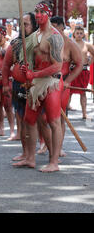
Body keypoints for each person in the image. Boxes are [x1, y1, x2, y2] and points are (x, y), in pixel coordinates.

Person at [15, 0, 64, 172]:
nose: (38, 15)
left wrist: (34, 74)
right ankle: (30, 158)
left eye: (41, 12)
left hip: (52, 82)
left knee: (53, 121)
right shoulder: (33, 36)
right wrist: (25, 69)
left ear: (48, 15)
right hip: (35, 83)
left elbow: (57, 65)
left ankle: (54, 162)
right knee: (29, 120)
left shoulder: (55, 37)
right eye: (36, 12)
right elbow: (29, 62)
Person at [2, 12, 38, 163]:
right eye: (21, 24)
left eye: (26, 24)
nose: (23, 27)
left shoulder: (40, 42)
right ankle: (25, 154)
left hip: (36, 87)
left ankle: (47, 156)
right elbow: (6, 65)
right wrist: (5, 84)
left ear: (34, 25)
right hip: (18, 86)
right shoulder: (16, 43)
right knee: (21, 121)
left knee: (36, 122)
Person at [49, 16, 83, 155]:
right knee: (44, 117)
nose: (52, 30)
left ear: (62, 28)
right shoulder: (47, 41)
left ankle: (59, 147)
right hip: (45, 82)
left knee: (59, 117)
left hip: (62, 84)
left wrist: (68, 81)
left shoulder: (69, 44)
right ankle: (46, 144)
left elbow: (80, 64)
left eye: (55, 27)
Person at [70, 25, 94, 119]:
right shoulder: (70, 43)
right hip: (72, 70)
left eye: (81, 33)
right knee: (69, 91)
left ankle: (84, 113)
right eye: (77, 33)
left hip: (83, 71)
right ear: (74, 34)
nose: (79, 35)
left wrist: (90, 62)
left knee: (83, 93)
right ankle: (66, 109)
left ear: (83, 34)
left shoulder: (87, 45)